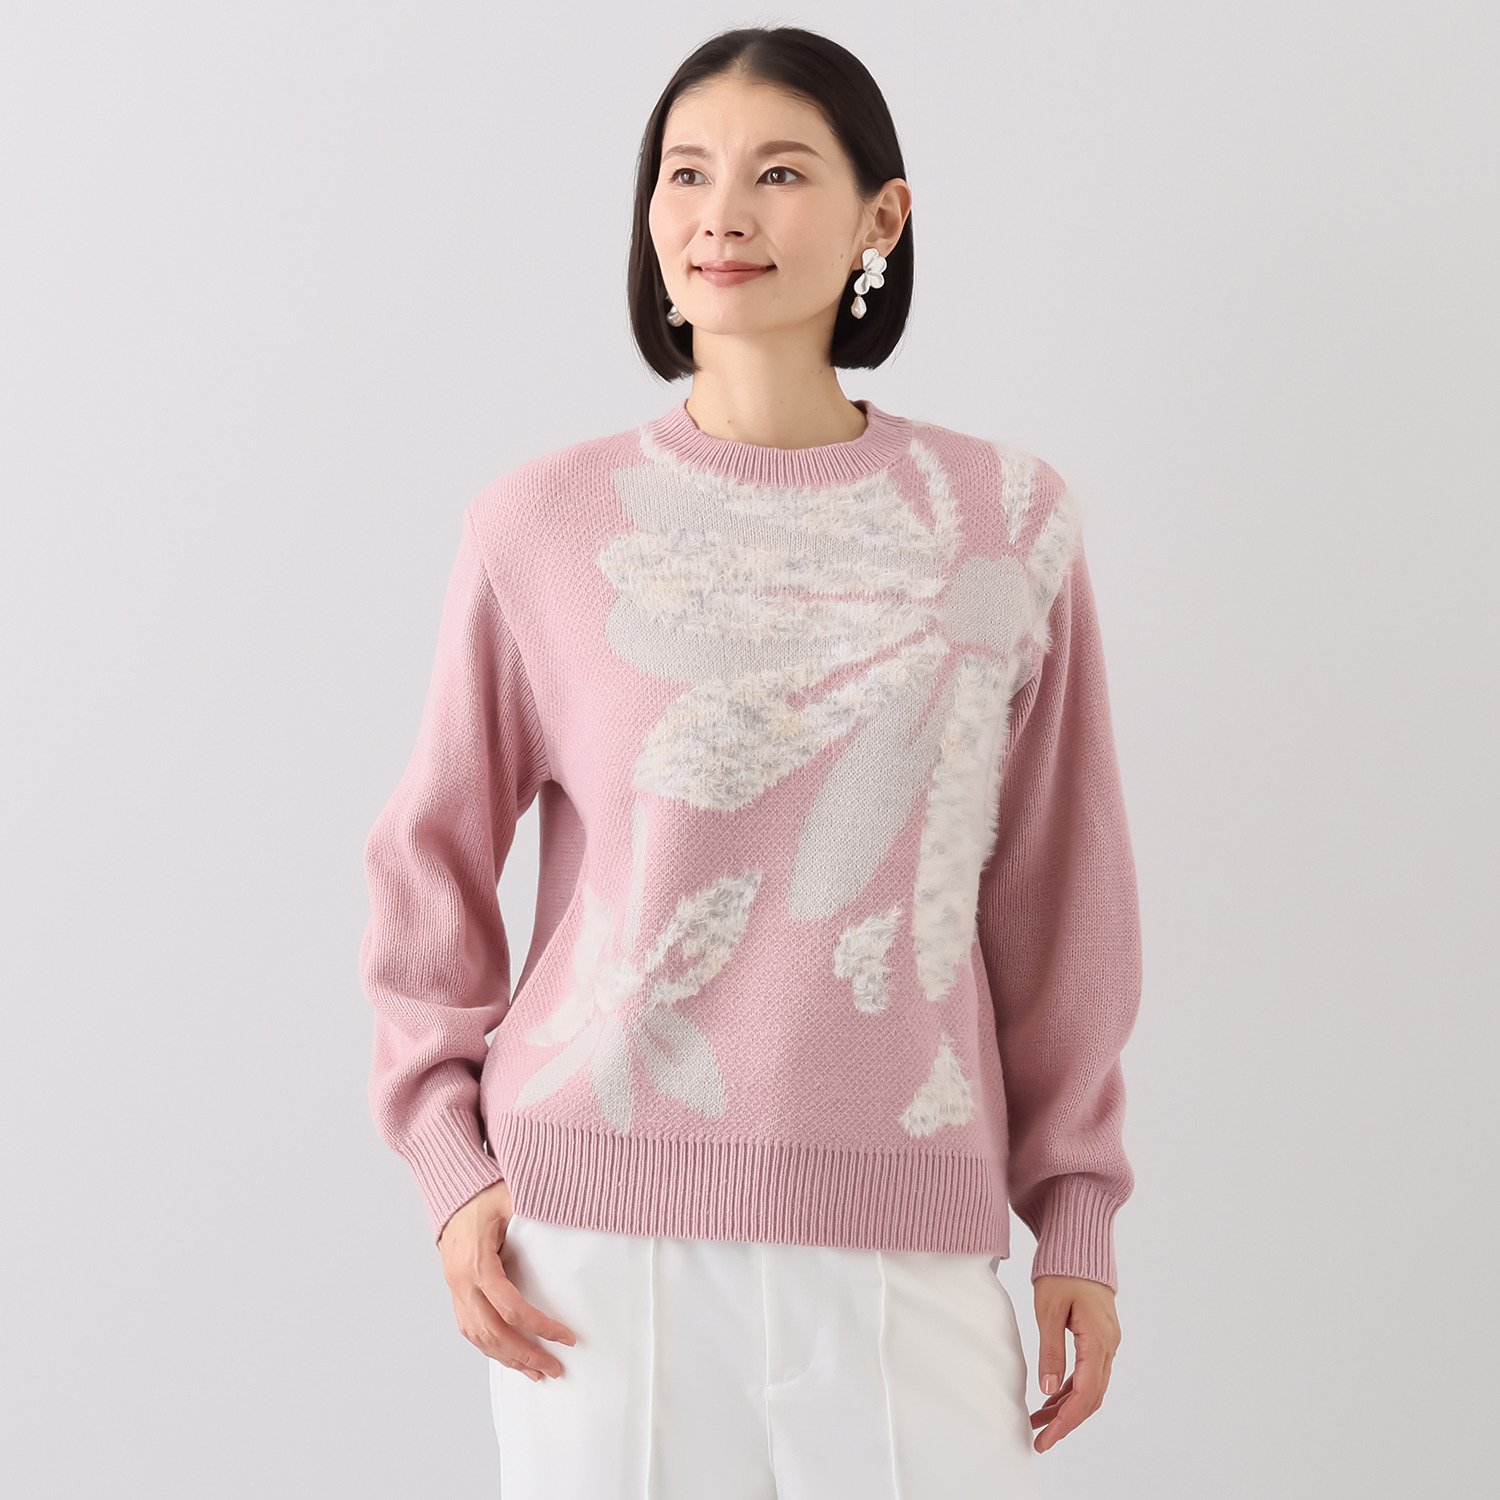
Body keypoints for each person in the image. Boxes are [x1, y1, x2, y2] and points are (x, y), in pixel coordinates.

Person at [359, 24, 1142, 1500]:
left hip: (909, 1246)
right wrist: (453, 1175)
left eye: (779, 173)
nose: (722, 213)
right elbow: (428, 861)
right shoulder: (544, 524)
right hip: (597, 1257)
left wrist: (1078, 1218)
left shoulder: (1008, 521)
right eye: (686, 174)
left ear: (878, 217)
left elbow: (1061, 898)